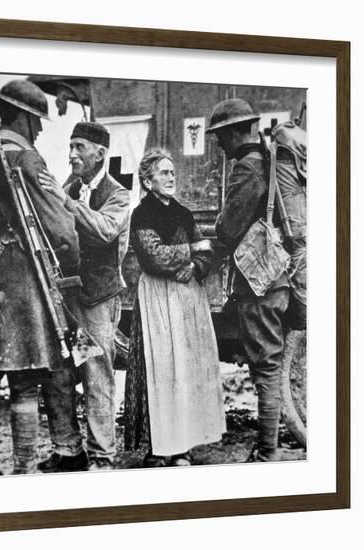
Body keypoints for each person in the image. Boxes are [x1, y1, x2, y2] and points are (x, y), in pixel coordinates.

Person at [0, 79, 80, 475]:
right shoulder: (26, 158)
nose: (42, 129)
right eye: (38, 121)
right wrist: (72, 261)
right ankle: (25, 466)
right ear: (25, 118)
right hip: (23, 278)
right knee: (25, 380)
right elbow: (60, 227)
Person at [123, 148, 225, 467]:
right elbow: (154, 257)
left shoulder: (184, 213)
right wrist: (191, 251)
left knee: (185, 371)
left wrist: (195, 266)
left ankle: (181, 448)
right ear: (147, 180)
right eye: (163, 172)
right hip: (156, 299)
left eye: (172, 172)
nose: (171, 177)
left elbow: (207, 252)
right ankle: (158, 448)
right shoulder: (141, 214)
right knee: (160, 371)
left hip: (186, 299)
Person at [38, 121, 130, 471]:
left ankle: (103, 456)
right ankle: (68, 450)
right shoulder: (68, 186)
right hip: (68, 300)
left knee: (97, 375)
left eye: (79, 147)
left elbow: (106, 230)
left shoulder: (118, 194)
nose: (72, 154)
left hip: (98, 300)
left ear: (100, 154)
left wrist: (64, 201)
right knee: (59, 374)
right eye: (70, 146)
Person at [208, 98, 290, 462]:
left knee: (266, 368)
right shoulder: (266, 160)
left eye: (220, 136)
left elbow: (227, 228)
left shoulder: (248, 168)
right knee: (267, 365)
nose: (218, 144)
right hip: (276, 281)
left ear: (233, 132)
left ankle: (267, 452)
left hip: (260, 286)